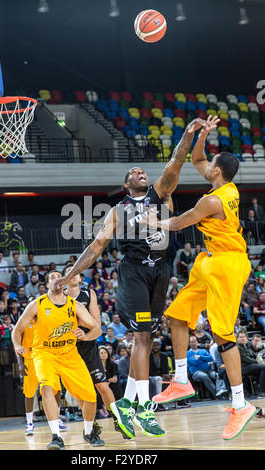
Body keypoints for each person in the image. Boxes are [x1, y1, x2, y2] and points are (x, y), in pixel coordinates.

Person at [53, 116, 208, 439]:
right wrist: (70, 274)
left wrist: (189, 134)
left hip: (160, 271)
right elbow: (96, 246)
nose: (141, 173)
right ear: (126, 184)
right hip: (134, 270)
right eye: (134, 173)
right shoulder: (118, 211)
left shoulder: (160, 193)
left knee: (148, 339)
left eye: (142, 171)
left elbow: (175, 162)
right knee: (140, 336)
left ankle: (128, 404)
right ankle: (143, 408)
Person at [150, 115, 257, 440]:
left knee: (223, 334)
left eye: (211, 162)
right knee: (178, 316)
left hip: (227, 264)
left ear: (217, 171)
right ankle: (181, 379)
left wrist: (149, 224)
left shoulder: (212, 200)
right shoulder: (222, 185)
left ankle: (241, 405)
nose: (205, 164)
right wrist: (202, 133)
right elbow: (196, 158)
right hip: (208, 261)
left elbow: (180, 223)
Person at [11, 270, 104, 450]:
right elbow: (17, 330)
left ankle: (89, 432)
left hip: (69, 354)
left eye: (59, 276)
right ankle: (56, 436)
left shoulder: (74, 305)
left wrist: (85, 336)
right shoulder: (37, 304)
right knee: (46, 387)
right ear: (47, 285)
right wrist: (16, 345)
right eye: (52, 277)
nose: (57, 279)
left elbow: (97, 329)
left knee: (90, 396)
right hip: (44, 353)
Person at [63, 264, 124, 439]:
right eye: (68, 272)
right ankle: (90, 425)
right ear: (64, 279)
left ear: (81, 278)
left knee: (102, 385)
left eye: (76, 272)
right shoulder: (60, 297)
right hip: (69, 349)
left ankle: (117, 419)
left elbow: (97, 324)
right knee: (82, 392)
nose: (73, 275)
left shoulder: (89, 294)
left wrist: (85, 335)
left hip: (88, 345)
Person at [16, 318, 65, 436]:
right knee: (29, 393)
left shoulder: (47, 321)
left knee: (56, 389)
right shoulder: (25, 323)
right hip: (30, 360)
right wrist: (20, 363)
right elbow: (17, 344)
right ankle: (29, 422)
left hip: (47, 359)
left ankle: (57, 417)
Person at [237, 330, 265, 397]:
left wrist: (261, 360)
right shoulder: (238, 348)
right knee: (263, 367)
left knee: (263, 367)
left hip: (251, 366)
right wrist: (259, 362)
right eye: (241, 337)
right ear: (237, 339)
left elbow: (255, 355)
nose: (243, 338)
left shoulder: (247, 346)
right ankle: (262, 392)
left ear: (247, 338)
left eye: (244, 337)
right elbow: (247, 359)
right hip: (243, 368)